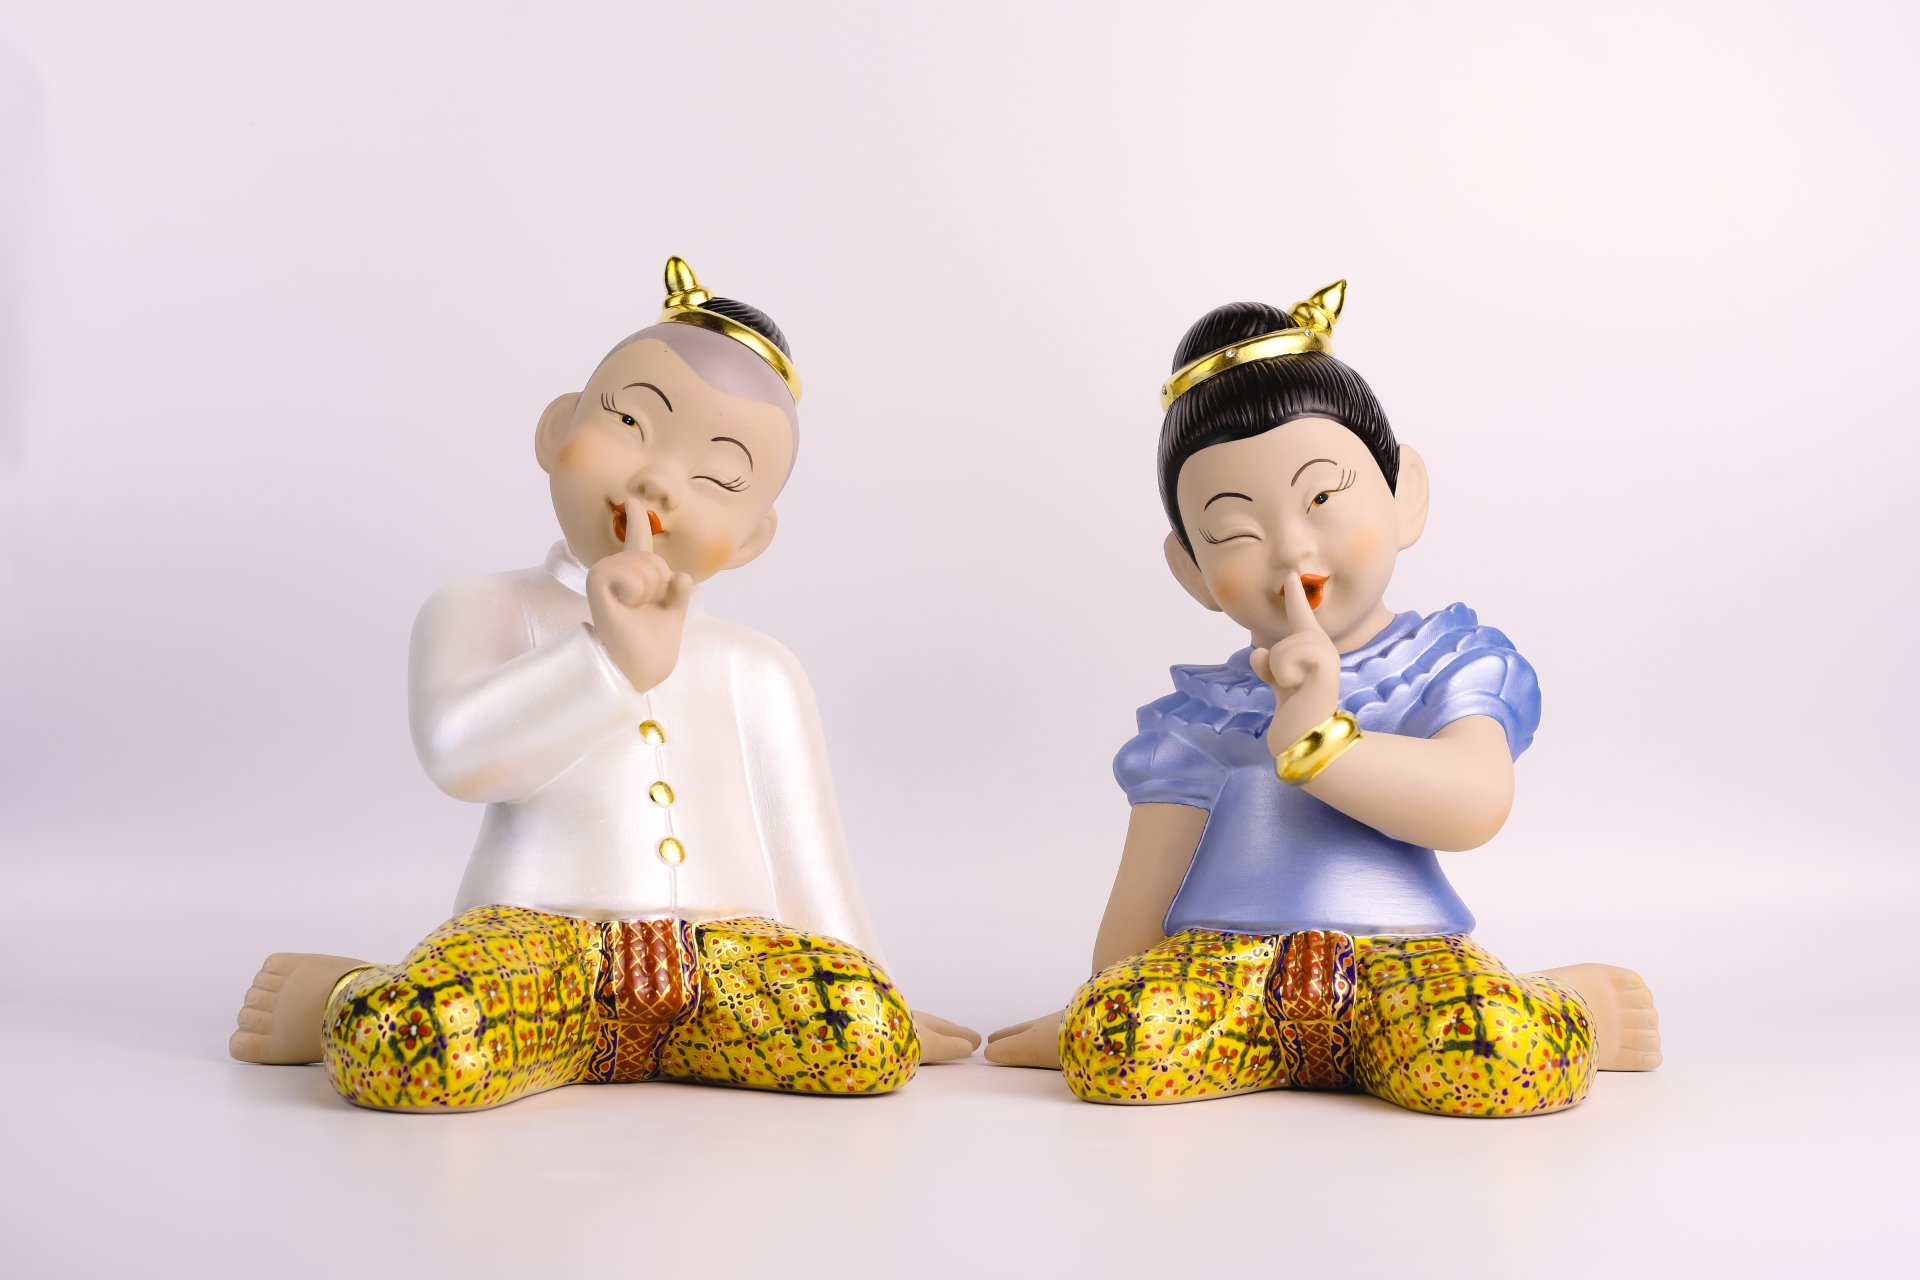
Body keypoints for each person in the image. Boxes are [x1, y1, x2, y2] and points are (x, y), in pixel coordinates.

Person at [229, 258, 978, 1111]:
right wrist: (606, 663)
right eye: (632, 423)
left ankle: (710, 1036)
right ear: (557, 431)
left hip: (723, 966)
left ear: (751, 537)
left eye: (718, 478)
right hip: (538, 946)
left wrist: (871, 987)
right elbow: (459, 758)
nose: (659, 482)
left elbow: (807, 852)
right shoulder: (484, 605)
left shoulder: (760, 668)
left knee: (869, 1039)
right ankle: (344, 991)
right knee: (409, 1047)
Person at [986, 281, 1659, 1116]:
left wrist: (1321, 742)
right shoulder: (1200, 718)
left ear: (1404, 495)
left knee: (1498, 1049)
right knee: (1112, 1045)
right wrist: (1100, 1006)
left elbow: (1475, 805)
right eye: (1237, 531)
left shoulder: (1442, 662)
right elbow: (1145, 893)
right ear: (1191, 570)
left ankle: (1567, 999)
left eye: (1322, 499)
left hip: (1406, 963)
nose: (1292, 550)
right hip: (1229, 978)